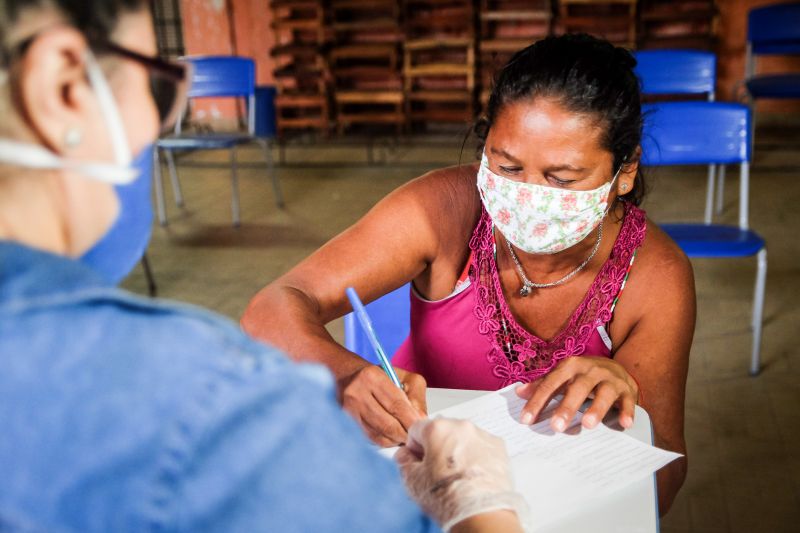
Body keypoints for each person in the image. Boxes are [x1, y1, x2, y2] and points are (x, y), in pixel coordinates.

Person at [0, 1, 529, 531]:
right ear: (63, 87)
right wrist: (475, 502)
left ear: (619, 178)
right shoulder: (201, 401)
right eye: (157, 87)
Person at [242, 34, 694, 513]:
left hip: (557, 509)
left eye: (561, 179)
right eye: (507, 165)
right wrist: (346, 374)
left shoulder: (652, 275)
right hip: (415, 483)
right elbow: (270, 308)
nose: (527, 195)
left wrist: (626, 392)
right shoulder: (444, 210)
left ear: (625, 171)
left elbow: (660, 486)